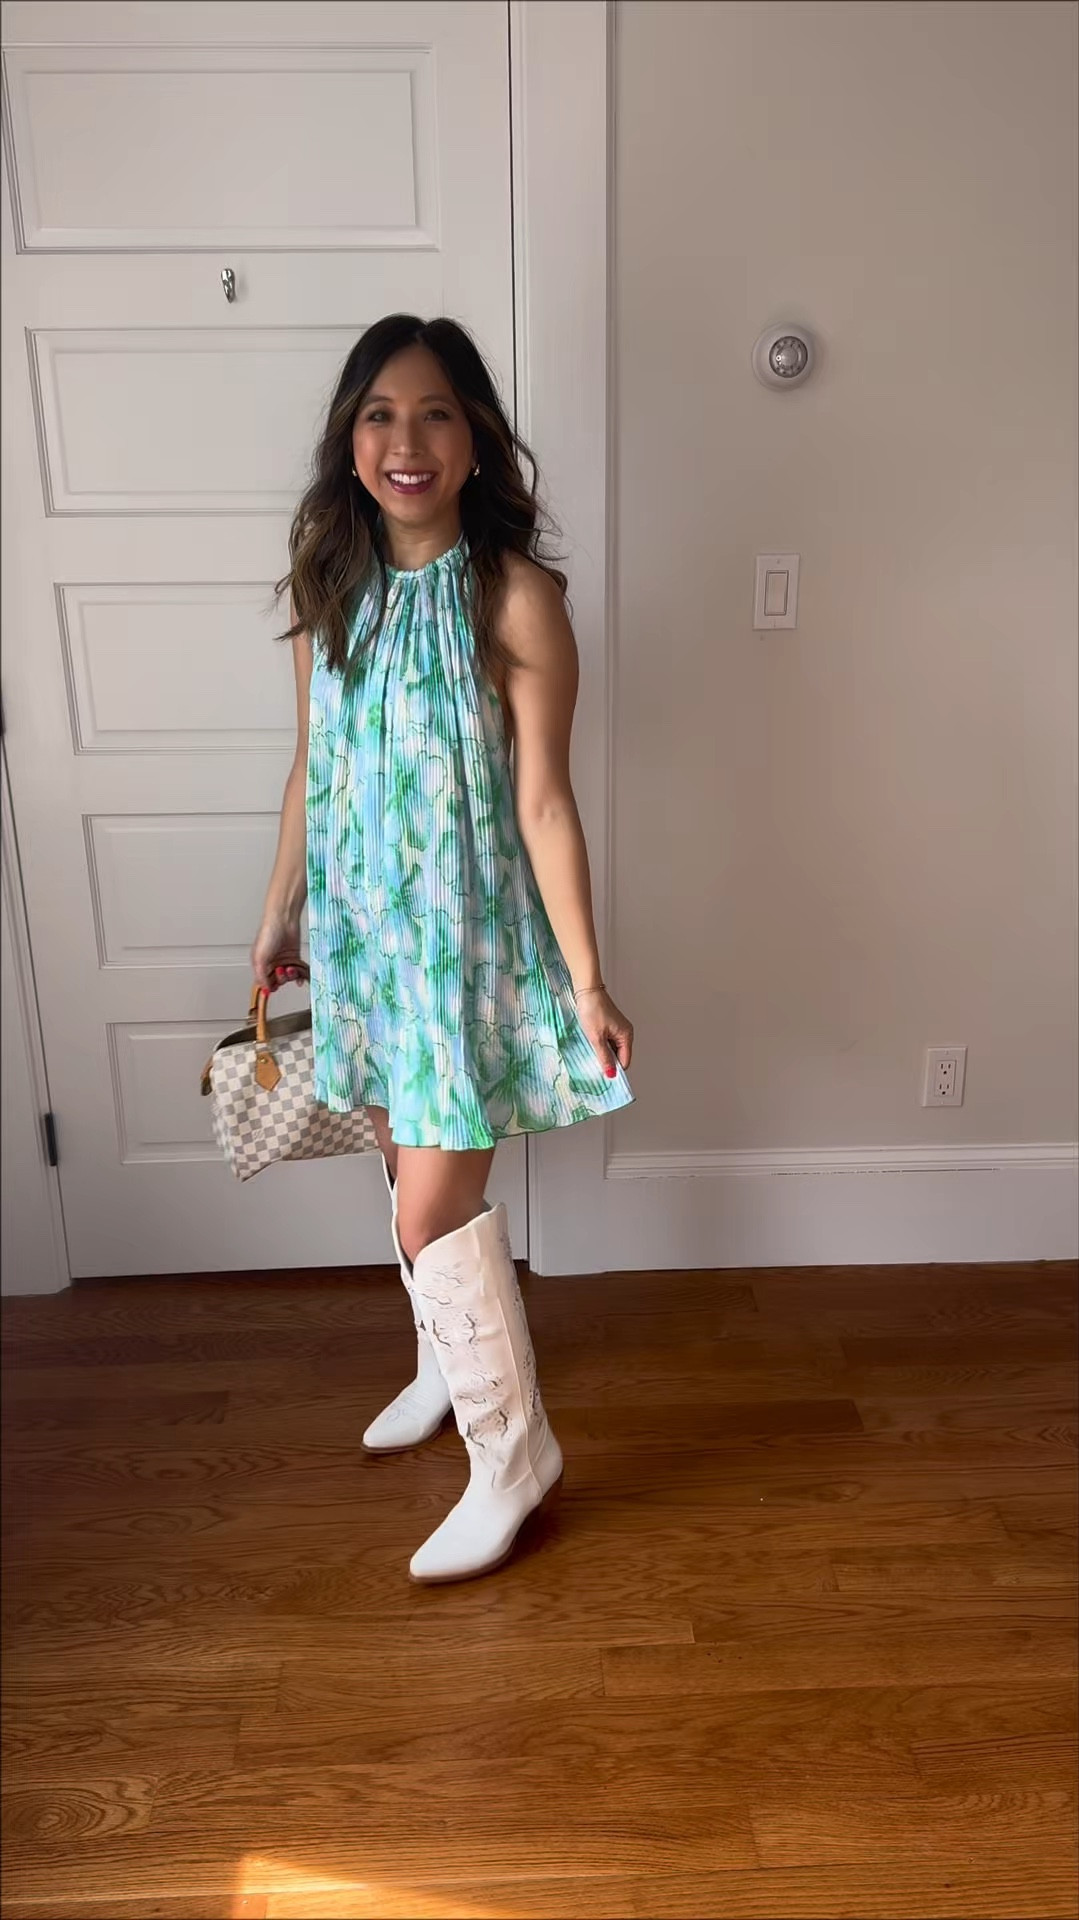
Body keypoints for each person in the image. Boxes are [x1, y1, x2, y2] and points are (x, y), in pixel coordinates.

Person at [250, 314, 634, 1585]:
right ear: (349, 439)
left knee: (433, 1207)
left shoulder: (515, 598)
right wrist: (280, 914)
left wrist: (587, 978)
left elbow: (546, 804)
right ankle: (439, 1362)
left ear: (474, 441)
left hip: (463, 953)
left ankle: (513, 1454)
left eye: (433, 414)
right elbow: (312, 767)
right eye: (379, 415)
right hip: (364, 942)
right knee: (397, 1161)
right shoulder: (327, 583)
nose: (405, 441)